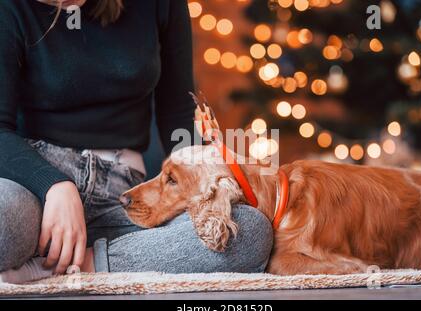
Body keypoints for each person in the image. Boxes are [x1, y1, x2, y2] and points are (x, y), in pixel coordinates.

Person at [0, 0, 273, 282]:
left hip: (125, 196)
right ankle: (77, 254)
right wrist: (54, 186)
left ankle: (77, 263)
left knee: (248, 231)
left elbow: (177, 111)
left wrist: (203, 180)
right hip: (37, 189)